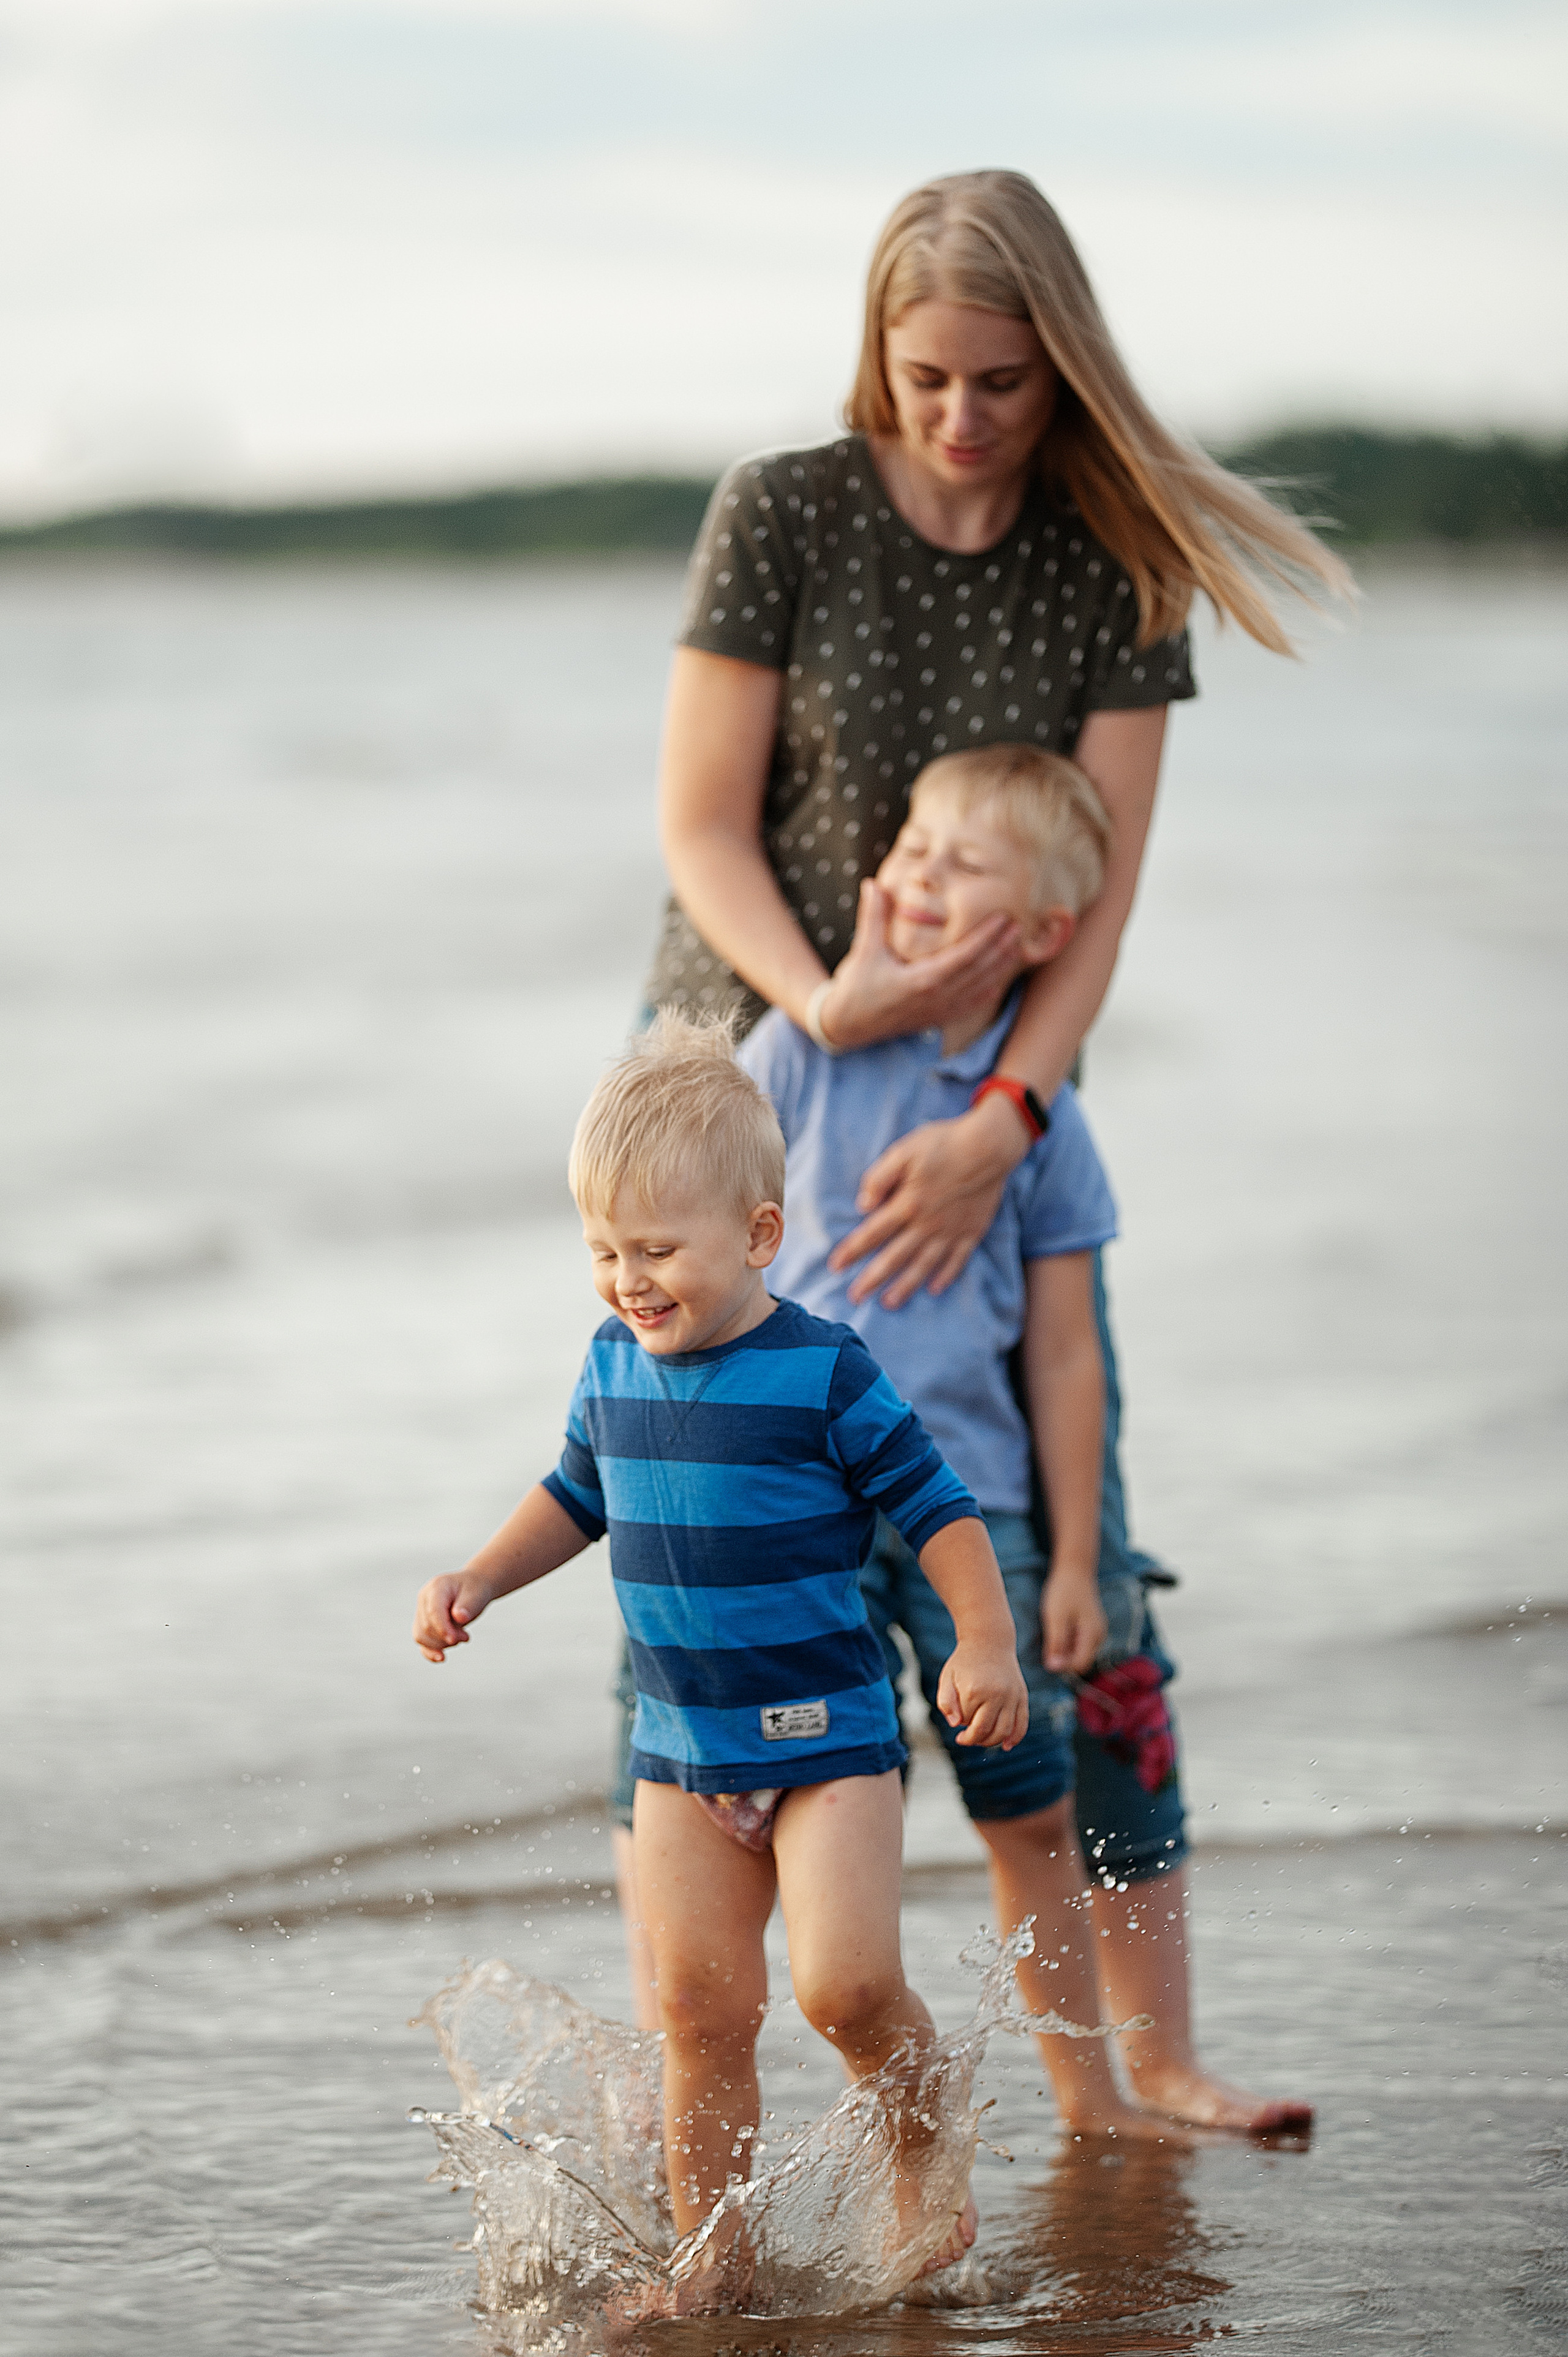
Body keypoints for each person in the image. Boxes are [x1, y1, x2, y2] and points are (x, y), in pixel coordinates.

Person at [615, 167, 1349, 2132]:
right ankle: (697, 2074)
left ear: (1065, 372)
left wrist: (1008, 1113)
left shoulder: (1116, 557)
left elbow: (1097, 899)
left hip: (998, 1091)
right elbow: (700, 826)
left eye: (1006, 382)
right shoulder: (783, 509)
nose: (961, 418)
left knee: (1053, 1547)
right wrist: (827, 1013)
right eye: (928, 376)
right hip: (753, 1076)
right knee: (718, 1565)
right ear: (880, 348)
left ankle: (1153, 2059)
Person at [412, 1016, 1030, 2283]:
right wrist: (481, 1572)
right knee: (699, 2015)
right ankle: (716, 2251)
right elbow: (574, 1497)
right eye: (601, 1250)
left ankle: (925, 2157)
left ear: (757, 1235)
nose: (626, 1279)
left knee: (846, 1991)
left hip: (827, 1742)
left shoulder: (822, 1373)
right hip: (680, 1748)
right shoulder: (607, 1364)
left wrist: (983, 1640)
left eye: (654, 1249)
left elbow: (938, 1509)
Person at [741, 739, 1176, 2138]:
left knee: (1025, 1811)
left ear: (1044, 930)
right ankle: (810, 2094)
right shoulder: (797, 1057)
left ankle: (1087, 2096)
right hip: (798, 1510)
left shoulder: (1037, 1126)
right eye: (909, 846)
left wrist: (1064, 1560)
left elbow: (1062, 1354)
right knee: (776, 1806)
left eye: (960, 861)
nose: (915, 871)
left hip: (968, 1519)